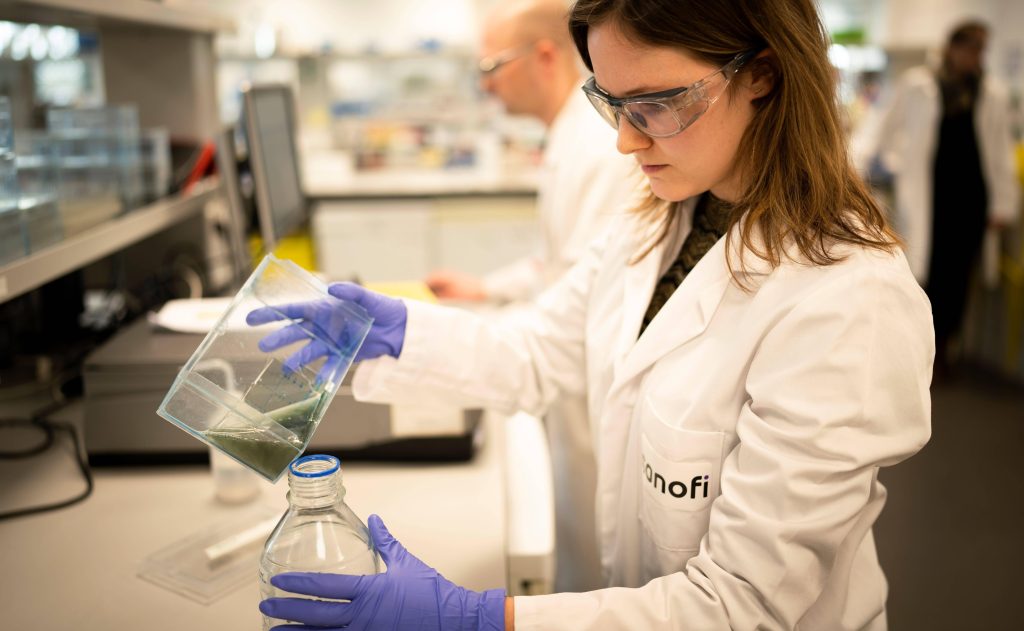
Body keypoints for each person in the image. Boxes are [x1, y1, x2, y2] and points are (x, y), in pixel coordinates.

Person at [255, 0, 935, 628]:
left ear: (762, 74)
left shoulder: (847, 301)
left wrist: (478, 619)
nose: (625, 143)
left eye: (659, 104)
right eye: (613, 104)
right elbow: (542, 350)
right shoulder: (655, 222)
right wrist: (399, 337)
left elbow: (739, 603)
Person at [427, 0, 641, 593]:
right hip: (566, 374)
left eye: (493, 65)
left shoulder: (599, 144)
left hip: (586, 388)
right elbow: (564, 261)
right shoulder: (570, 133)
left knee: (596, 560)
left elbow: (580, 297)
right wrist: (488, 289)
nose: (486, 83)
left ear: (545, 56)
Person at [868, 20, 1020, 374]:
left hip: (970, 197)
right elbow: (889, 127)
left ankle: (945, 351)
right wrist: (890, 162)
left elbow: (1000, 150)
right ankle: (920, 349)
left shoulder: (991, 92)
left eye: (981, 49)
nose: (974, 56)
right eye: (969, 47)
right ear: (952, 48)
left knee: (959, 275)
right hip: (931, 194)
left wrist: (1002, 202)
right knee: (927, 271)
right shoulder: (921, 84)